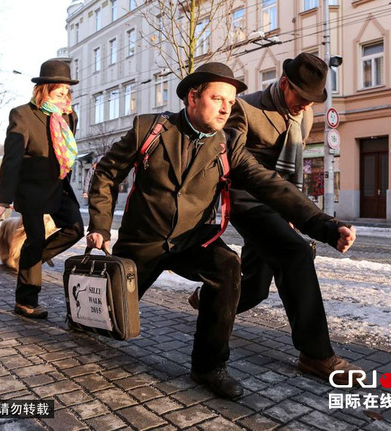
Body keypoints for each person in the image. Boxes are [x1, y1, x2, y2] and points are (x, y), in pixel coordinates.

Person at [86, 62, 356, 399]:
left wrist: (326, 226)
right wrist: (100, 226)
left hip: (192, 240)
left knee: (228, 267)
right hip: (143, 242)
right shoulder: (150, 129)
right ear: (192, 98)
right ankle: (84, 317)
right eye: (218, 98)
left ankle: (209, 366)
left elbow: (273, 186)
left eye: (230, 101)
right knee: (98, 324)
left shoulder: (228, 146)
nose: (226, 107)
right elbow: (107, 174)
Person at [189, 53, 362, 386]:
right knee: (295, 253)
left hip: (277, 203)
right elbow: (235, 165)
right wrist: (310, 220)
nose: (305, 105)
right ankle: (315, 354)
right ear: (285, 84)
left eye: (313, 100)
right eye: (301, 96)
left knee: (254, 287)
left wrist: (292, 211)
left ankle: (207, 298)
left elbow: (292, 173)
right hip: (245, 200)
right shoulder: (245, 109)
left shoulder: (304, 116)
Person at [0, 58, 84, 319]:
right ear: (44, 89)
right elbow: (12, 158)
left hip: (58, 185)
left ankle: (30, 262)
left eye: (68, 91)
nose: (65, 95)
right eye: (60, 90)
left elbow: (64, 150)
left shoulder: (69, 115)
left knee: (75, 228)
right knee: (36, 238)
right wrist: (3, 200)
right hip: (30, 188)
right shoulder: (22, 114)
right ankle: (25, 301)